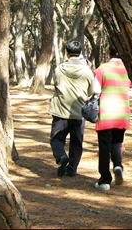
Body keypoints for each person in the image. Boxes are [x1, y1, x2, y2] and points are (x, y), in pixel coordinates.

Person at [48, 39, 94, 177]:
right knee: (76, 142)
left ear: (67, 53)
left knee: (56, 138)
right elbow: (90, 91)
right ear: (80, 53)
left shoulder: (59, 70)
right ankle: (72, 169)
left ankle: (61, 156)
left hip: (60, 111)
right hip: (79, 113)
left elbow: (55, 84)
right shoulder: (87, 72)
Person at [92, 44, 132, 190]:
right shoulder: (128, 69)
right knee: (117, 143)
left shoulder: (102, 69)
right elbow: (131, 92)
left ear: (109, 53)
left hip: (106, 113)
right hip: (122, 113)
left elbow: (96, 90)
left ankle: (104, 180)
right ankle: (118, 165)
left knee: (104, 147)